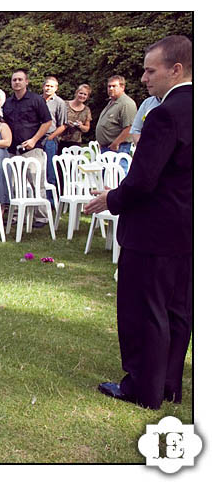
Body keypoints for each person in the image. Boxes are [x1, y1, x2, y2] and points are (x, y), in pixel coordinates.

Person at [84, 35, 192, 410]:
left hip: (153, 232)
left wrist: (109, 199)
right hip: (189, 229)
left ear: (176, 69)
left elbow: (145, 179)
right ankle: (168, 385)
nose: (144, 78)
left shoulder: (164, 114)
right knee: (178, 309)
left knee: (145, 310)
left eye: (150, 70)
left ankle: (143, 389)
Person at [2, 68, 52, 227]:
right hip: (13, 151)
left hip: (32, 149)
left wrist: (34, 139)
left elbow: (47, 122)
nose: (16, 82)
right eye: (14, 80)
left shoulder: (36, 100)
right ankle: (17, 216)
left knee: (36, 183)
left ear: (26, 82)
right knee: (16, 184)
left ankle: (41, 217)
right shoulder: (8, 103)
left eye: (19, 79)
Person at [95, 75, 137, 170]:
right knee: (108, 179)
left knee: (118, 175)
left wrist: (116, 143)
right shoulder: (111, 102)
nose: (110, 88)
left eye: (114, 86)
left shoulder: (126, 104)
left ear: (122, 87)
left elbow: (129, 127)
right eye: (109, 86)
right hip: (107, 147)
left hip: (118, 148)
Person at [41, 77, 68, 194]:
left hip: (50, 139)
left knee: (50, 170)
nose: (48, 88)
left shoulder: (60, 103)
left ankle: (51, 200)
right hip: (36, 138)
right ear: (43, 86)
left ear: (56, 88)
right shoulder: (36, 100)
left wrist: (51, 137)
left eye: (52, 86)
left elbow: (63, 125)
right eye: (47, 86)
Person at [59, 84, 93, 152]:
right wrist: (66, 123)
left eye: (85, 94)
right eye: (81, 93)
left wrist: (81, 126)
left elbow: (87, 128)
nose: (82, 96)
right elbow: (56, 120)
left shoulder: (86, 110)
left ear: (87, 97)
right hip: (60, 140)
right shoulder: (64, 104)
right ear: (76, 93)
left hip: (76, 143)